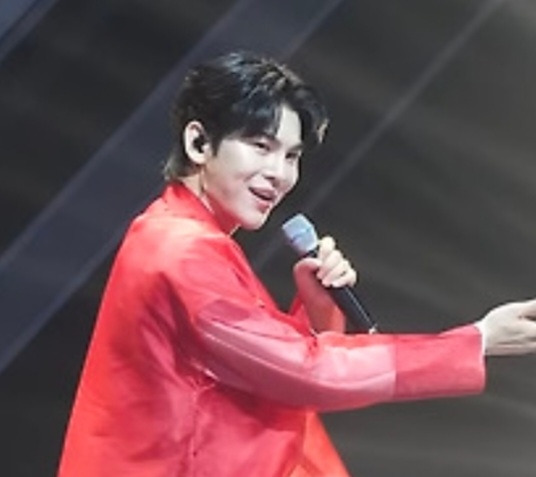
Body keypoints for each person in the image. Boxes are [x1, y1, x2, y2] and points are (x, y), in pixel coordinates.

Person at [57, 51, 536, 477]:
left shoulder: (179, 235)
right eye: (260, 146)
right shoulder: (181, 252)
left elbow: (266, 371)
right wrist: (476, 341)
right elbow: (310, 374)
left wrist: (317, 306)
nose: (279, 174)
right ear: (199, 143)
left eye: (291, 156)